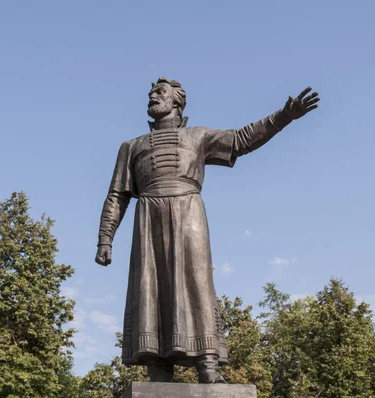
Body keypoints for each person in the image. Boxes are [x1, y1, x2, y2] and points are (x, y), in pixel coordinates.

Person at [95, 77, 319, 383]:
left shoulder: (197, 136)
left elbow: (241, 140)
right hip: (148, 217)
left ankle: (208, 366)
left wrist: (283, 117)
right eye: (150, 93)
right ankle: (158, 368)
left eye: (159, 92)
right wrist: (105, 239)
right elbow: (116, 196)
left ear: (176, 101)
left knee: (197, 283)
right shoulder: (131, 147)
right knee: (150, 287)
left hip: (189, 213)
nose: (151, 96)